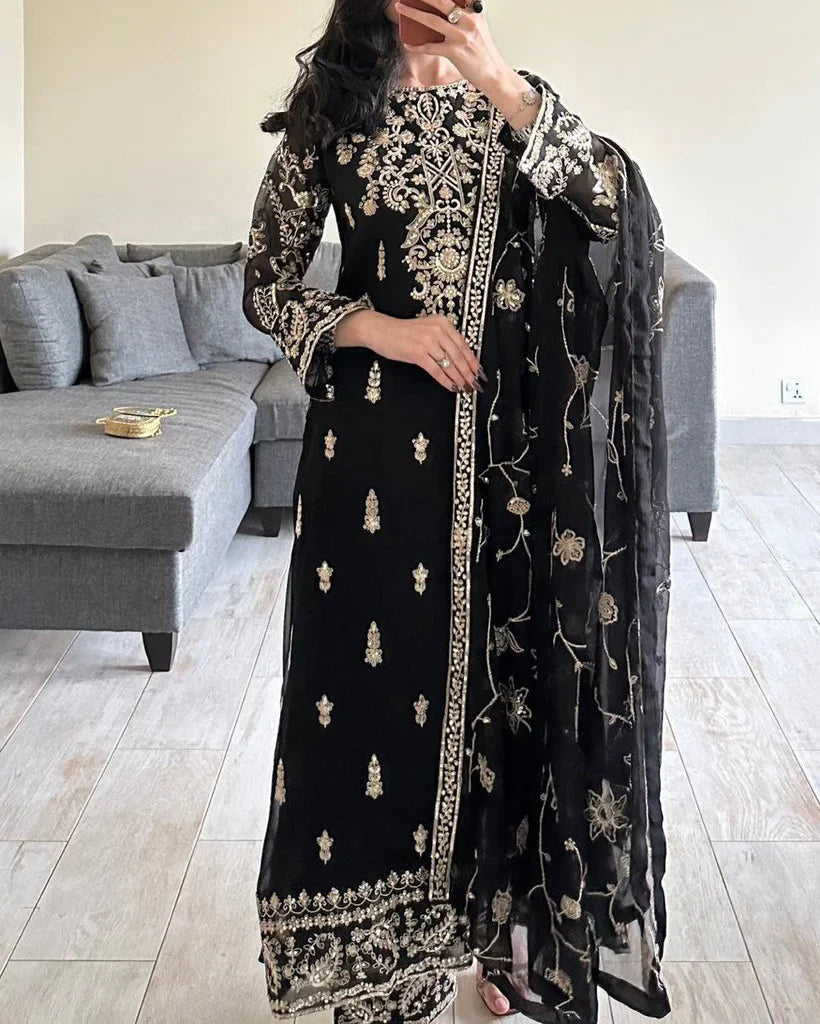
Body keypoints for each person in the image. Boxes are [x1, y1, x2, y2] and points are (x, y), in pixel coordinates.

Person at [242, 2, 672, 1022]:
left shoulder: (510, 104)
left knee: (509, 684)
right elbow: (265, 280)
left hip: (513, 470)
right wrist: (377, 327)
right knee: (368, 691)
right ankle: (386, 958)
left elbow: (620, 216)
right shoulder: (331, 108)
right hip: (370, 463)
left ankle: (501, 935)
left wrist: (504, 88)